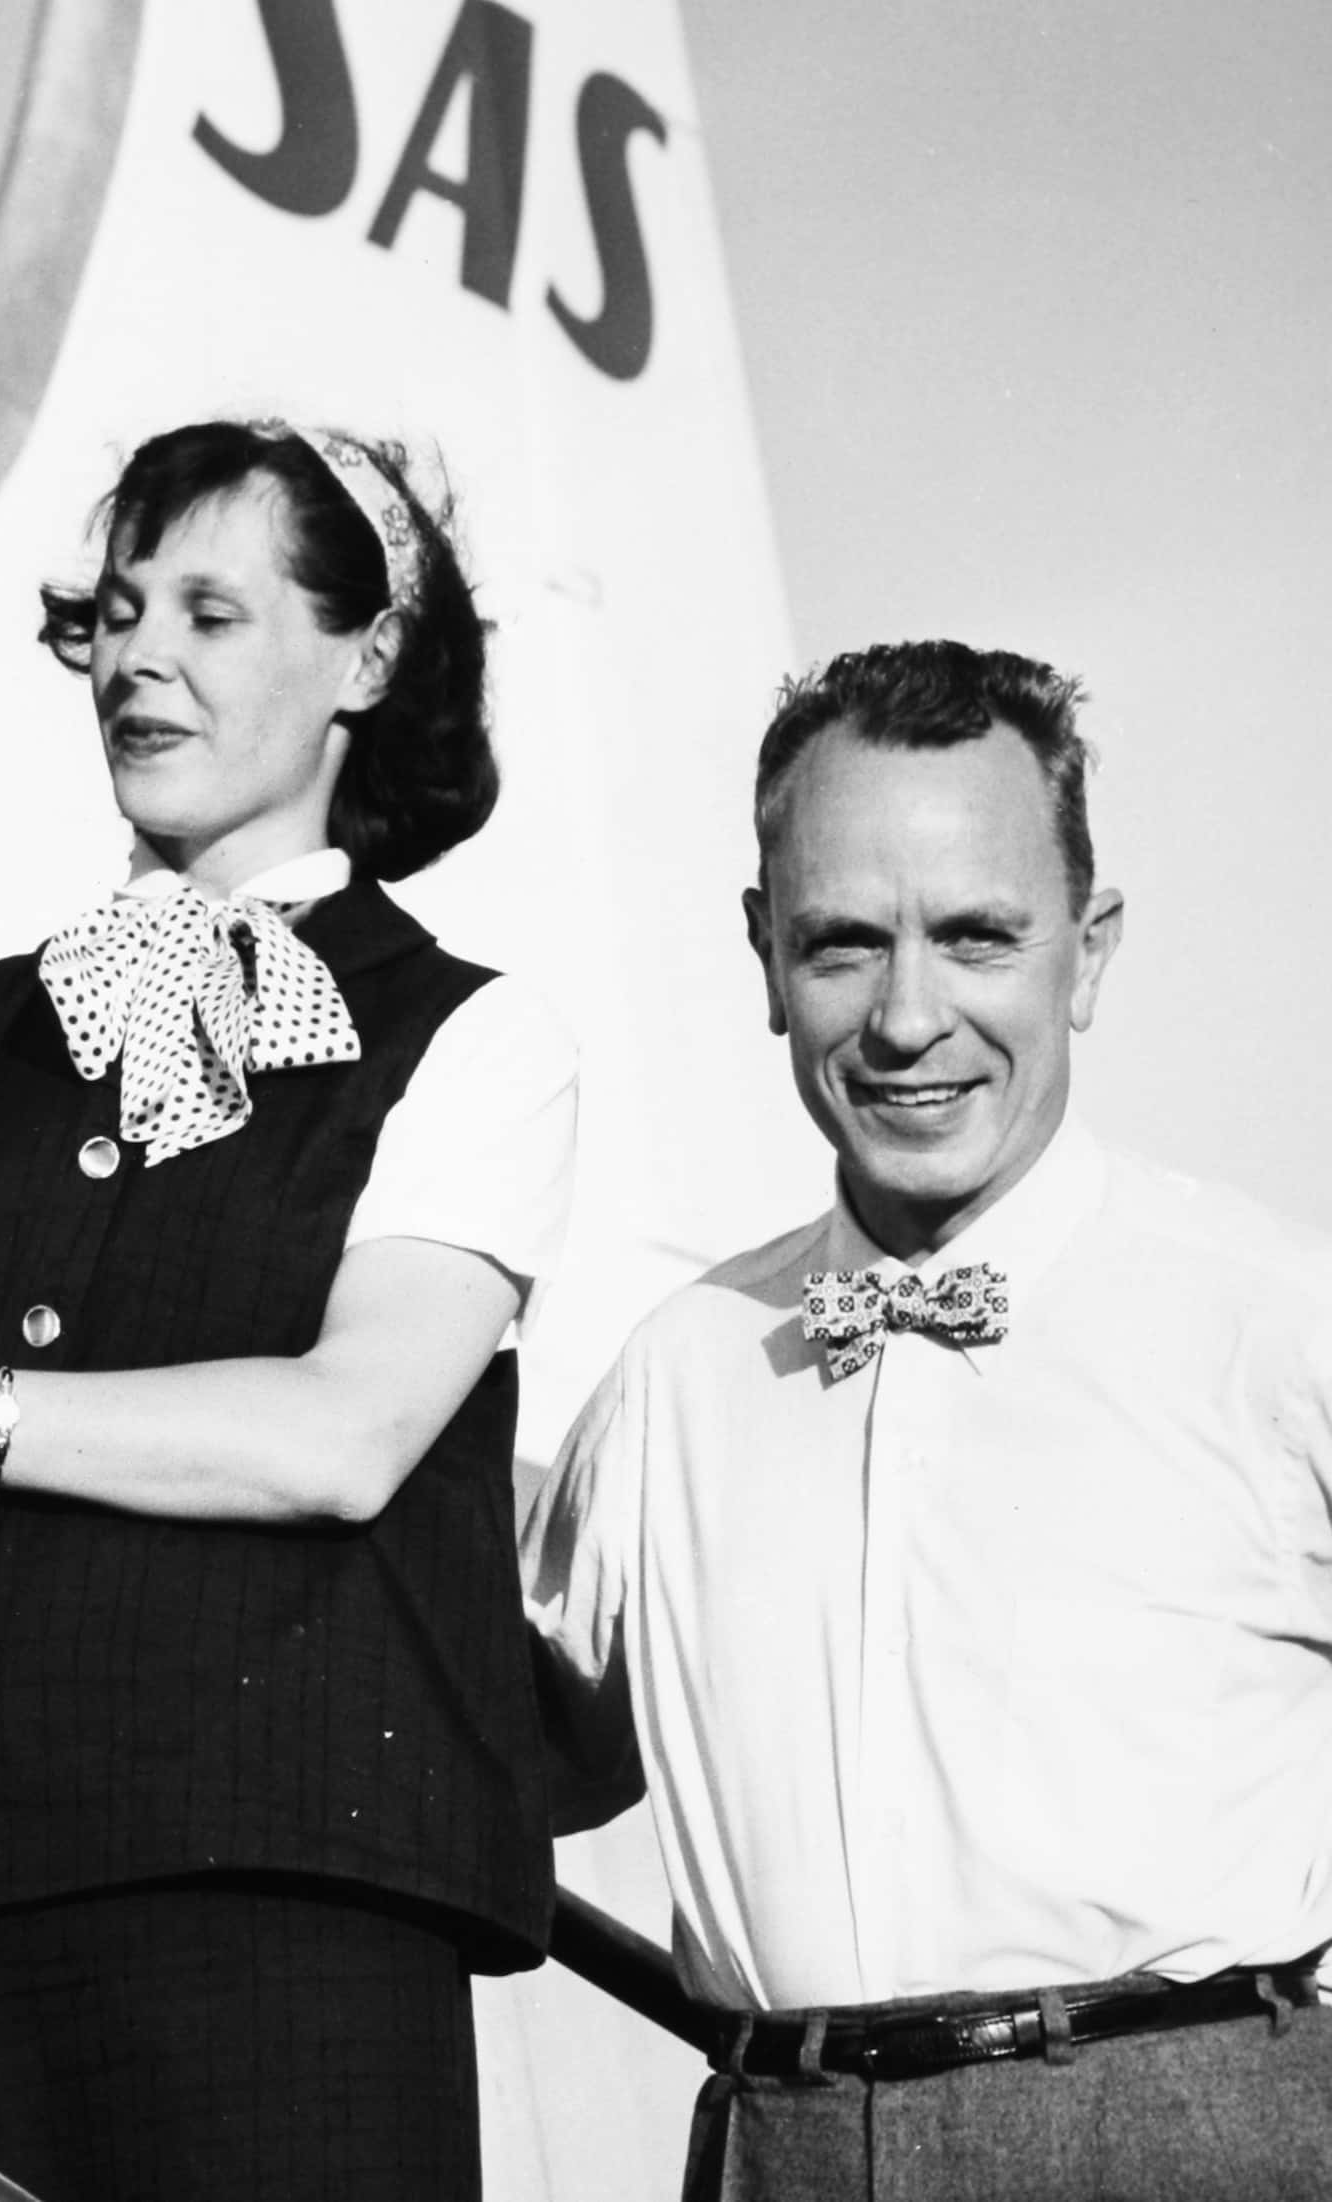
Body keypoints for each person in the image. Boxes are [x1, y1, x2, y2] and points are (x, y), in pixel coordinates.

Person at [0, 419, 580, 2202]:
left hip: (280, 1948)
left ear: (366, 659)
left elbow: (345, 1433)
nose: (141, 654)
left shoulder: (469, 1038)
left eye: (216, 614)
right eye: (123, 608)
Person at [522, 639, 1332, 2201]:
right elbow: (503, 1763)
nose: (908, 1018)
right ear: (763, 955)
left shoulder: (1276, 1321)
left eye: (975, 936)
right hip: (784, 2144)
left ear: (1087, 951)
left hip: (1206, 2142)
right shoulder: (677, 1375)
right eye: (842, 944)